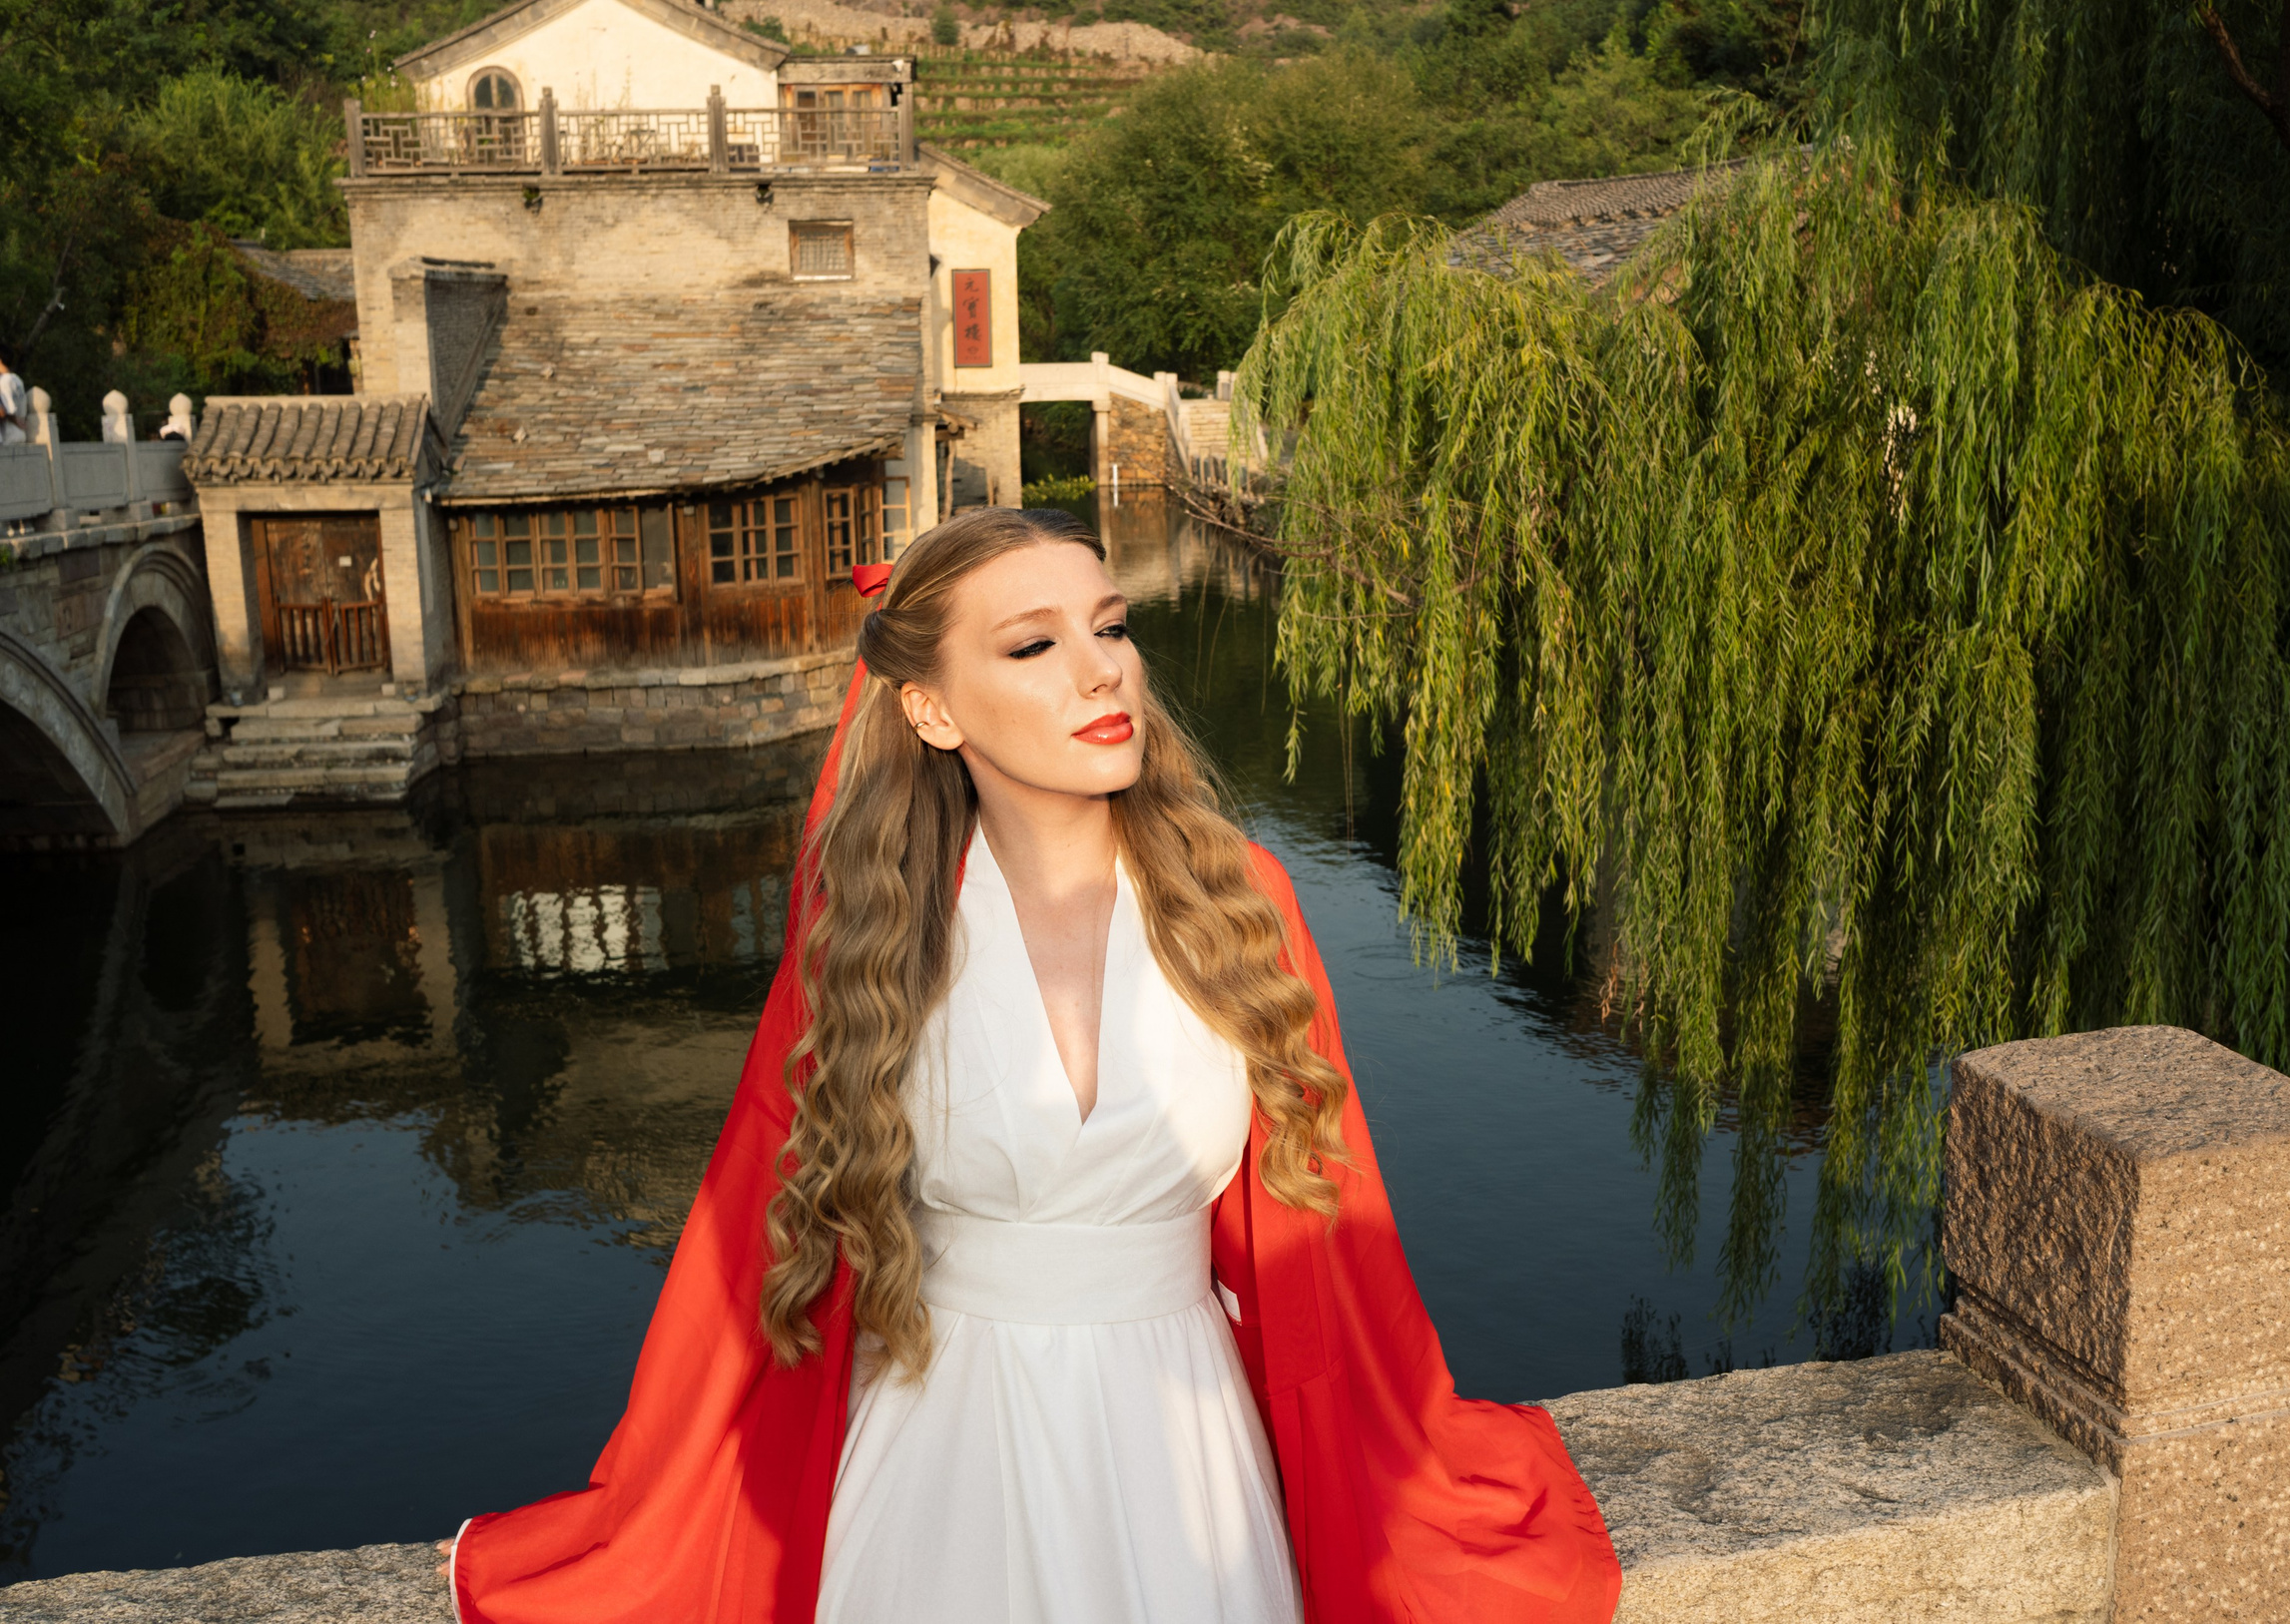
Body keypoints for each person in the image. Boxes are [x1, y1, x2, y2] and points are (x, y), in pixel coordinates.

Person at [442, 509, 1620, 1624]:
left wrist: (1400, 1471)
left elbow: (1331, 1227)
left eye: (1111, 627)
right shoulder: (866, 934)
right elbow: (748, 1234)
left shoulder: (1237, 903)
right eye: (1031, 645)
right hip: (945, 1444)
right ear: (933, 710)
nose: (1102, 670)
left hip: (1191, 1456)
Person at [0, 355, 27, 444]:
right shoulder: (17, 379)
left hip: (9, 435)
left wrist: (16, 422)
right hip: (20, 433)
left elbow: (8, 410)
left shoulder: (3, 381)